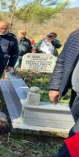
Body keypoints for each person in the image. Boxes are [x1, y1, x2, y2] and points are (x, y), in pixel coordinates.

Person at [49, 29, 79, 157]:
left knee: (76, 134)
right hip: (76, 93)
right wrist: (55, 87)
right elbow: (62, 62)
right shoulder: (76, 35)